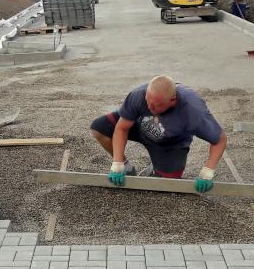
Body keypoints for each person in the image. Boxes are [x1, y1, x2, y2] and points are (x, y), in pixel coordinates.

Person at [90, 75, 227, 192]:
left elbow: (219, 140)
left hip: (170, 144)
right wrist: (118, 163)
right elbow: (122, 128)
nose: (149, 107)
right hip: (139, 127)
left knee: (166, 186)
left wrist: (207, 172)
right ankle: (127, 167)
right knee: (98, 128)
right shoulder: (139, 94)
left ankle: (156, 167)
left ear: (172, 100)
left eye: (155, 105)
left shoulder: (193, 110)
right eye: (148, 102)